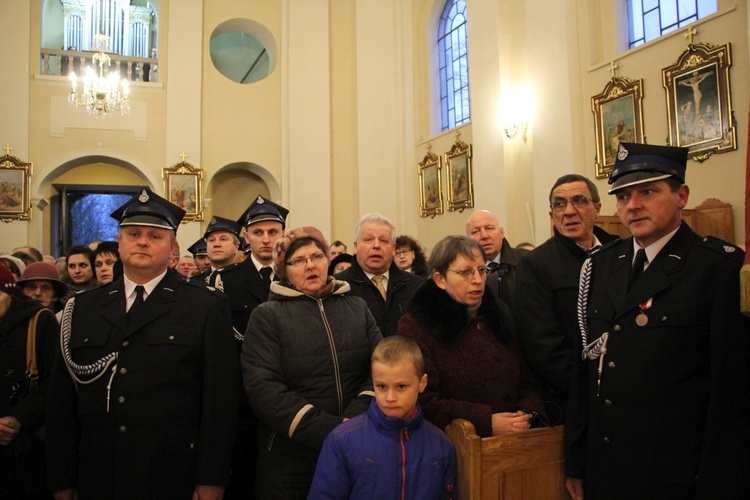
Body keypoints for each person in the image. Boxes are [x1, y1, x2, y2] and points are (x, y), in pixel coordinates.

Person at [565, 143, 750, 499]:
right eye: (622, 196)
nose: (632, 205)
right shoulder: (602, 265)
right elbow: (585, 373)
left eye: (647, 191)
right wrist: (577, 459)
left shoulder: (717, 268)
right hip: (607, 468)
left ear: (681, 195)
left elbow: (730, 392)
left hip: (675, 473)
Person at [45, 187, 240, 500]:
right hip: (98, 470)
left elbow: (220, 401)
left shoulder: (204, 306)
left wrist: (211, 479)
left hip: (171, 470)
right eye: (133, 233)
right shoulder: (83, 307)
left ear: (172, 248)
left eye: (155, 236)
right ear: (119, 242)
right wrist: (61, 478)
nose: (143, 242)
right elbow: (62, 402)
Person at [242, 226, 383, 499]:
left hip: (357, 444)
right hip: (291, 456)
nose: (310, 265)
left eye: (317, 256)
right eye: (298, 261)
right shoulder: (267, 316)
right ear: (284, 270)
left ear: (328, 260)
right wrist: (330, 429)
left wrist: (355, 418)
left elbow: (381, 365)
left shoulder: (356, 306)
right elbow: (263, 388)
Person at [398, 235, 546, 438]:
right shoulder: (418, 326)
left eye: (482, 270)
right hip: (456, 447)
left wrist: (527, 412)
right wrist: (485, 421)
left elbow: (528, 379)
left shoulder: (499, 315)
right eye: (465, 272)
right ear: (440, 280)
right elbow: (423, 400)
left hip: (517, 441)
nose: (477, 280)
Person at [514, 174, 618, 424]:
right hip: (574, 398)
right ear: (552, 215)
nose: (569, 211)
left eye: (579, 201)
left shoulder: (620, 253)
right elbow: (542, 347)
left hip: (626, 389)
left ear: (597, 208)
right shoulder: (536, 265)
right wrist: (594, 384)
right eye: (559, 204)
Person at [308, 335, 456, 499]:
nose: (390, 397)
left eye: (401, 386)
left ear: (422, 383)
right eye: (382, 386)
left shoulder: (442, 445)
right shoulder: (342, 441)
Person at [0, 263, 59, 499]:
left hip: (26, 446)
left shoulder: (40, 321)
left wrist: (16, 420)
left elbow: (54, 383)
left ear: (9, 293)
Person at [335, 213, 423, 337]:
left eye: (383, 240)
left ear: (393, 249)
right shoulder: (338, 287)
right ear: (355, 247)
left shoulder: (416, 285)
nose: (376, 246)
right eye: (368, 239)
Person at [465, 210, 528, 308]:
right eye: (476, 231)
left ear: (502, 232)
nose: (484, 236)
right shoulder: (462, 270)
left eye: (489, 228)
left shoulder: (525, 260)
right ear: (468, 240)